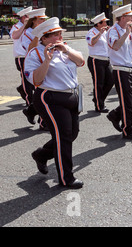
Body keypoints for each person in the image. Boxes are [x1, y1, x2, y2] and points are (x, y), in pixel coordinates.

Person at [24, 17, 85, 189]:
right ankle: (66, 178)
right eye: (53, 35)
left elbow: (80, 61)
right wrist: (47, 60)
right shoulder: (34, 54)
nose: (58, 37)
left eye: (59, 33)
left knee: (72, 134)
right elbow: (36, 80)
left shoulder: (64, 48)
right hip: (51, 97)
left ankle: (42, 155)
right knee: (64, 137)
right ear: (43, 38)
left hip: (71, 95)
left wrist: (66, 50)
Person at [106, 4, 132, 140]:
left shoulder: (128, 30)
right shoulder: (113, 31)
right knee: (127, 102)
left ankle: (116, 114)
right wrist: (127, 33)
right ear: (123, 18)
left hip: (130, 69)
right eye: (130, 16)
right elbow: (115, 46)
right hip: (120, 70)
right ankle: (128, 130)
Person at [20, 8, 49, 129]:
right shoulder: (27, 33)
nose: (44, 21)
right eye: (41, 19)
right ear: (34, 20)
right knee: (43, 91)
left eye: (44, 19)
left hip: (46, 60)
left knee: (45, 92)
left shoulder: (46, 30)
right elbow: (29, 48)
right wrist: (37, 35)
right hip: (35, 62)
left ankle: (31, 110)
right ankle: (43, 122)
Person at [86, 12, 114, 113]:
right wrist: (100, 33)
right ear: (98, 24)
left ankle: (99, 99)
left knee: (111, 80)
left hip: (106, 60)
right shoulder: (91, 32)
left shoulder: (106, 32)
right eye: (104, 22)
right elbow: (92, 42)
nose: (106, 23)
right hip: (96, 60)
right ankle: (99, 106)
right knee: (99, 83)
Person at [11, 6, 32, 101]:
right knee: (26, 78)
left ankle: (22, 89)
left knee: (31, 77)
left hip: (31, 55)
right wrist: (24, 26)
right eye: (28, 16)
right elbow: (15, 36)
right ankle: (29, 100)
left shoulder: (31, 27)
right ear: (23, 17)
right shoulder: (17, 26)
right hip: (22, 56)